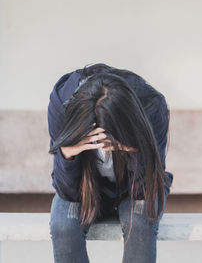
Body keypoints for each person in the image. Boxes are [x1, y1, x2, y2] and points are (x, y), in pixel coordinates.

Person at [47, 63, 173, 263]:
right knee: (64, 224)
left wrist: (134, 149)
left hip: (135, 186)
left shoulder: (151, 108)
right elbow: (67, 192)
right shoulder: (62, 104)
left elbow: (143, 190)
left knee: (140, 220)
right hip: (83, 186)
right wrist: (68, 153)